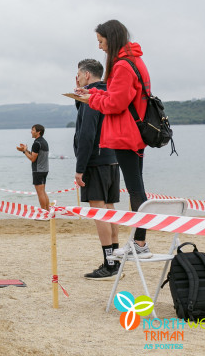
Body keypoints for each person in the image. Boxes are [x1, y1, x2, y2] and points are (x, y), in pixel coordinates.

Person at [75, 19, 153, 258]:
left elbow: (116, 103)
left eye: (101, 41)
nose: (99, 47)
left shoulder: (121, 66)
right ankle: (138, 243)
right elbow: (120, 94)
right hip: (137, 132)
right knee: (136, 188)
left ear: (111, 38)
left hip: (125, 134)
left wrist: (91, 100)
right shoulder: (135, 61)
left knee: (136, 190)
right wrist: (95, 92)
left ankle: (140, 244)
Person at [73, 59, 121, 280]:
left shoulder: (91, 97)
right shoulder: (109, 93)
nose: (77, 78)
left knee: (100, 212)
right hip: (113, 158)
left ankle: (109, 263)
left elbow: (87, 133)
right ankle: (115, 261)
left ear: (86, 75)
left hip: (96, 160)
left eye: (79, 75)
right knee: (109, 209)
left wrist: (80, 167)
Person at [17, 124, 49, 211]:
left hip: (38, 170)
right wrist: (25, 150)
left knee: (40, 193)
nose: (31, 131)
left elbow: (32, 158)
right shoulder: (44, 142)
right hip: (45, 169)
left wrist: (24, 151)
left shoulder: (36, 143)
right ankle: (47, 212)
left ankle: (43, 213)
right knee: (43, 192)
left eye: (33, 130)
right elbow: (34, 155)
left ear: (38, 132)